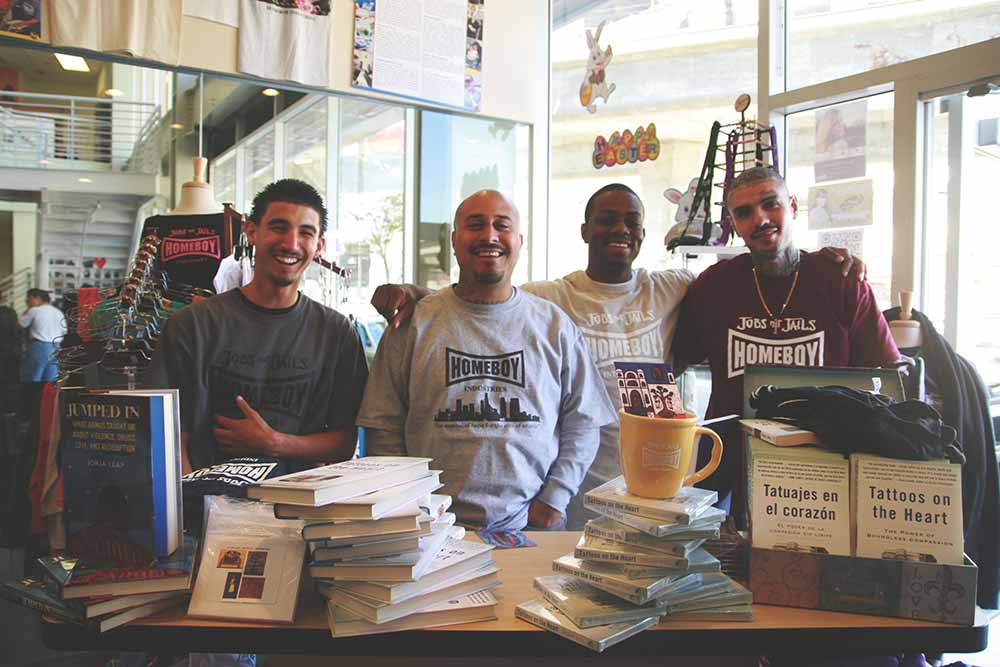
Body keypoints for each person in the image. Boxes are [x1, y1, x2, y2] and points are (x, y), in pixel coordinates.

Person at [371, 183, 863, 527]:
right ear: (585, 230)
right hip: (577, 491)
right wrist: (415, 294)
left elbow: (751, 272)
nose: (620, 230)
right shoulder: (551, 299)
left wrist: (821, 260)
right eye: (606, 221)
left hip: (656, 485)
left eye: (632, 222)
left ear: (645, 235)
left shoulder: (674, 286)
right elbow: (485, 292)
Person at [357, 190, 615, 531]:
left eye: (501, 226)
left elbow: (583, 424)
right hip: (430, 529)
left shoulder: (554, 326)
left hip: (532, 528)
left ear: (519, 241)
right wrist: (409, 505)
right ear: (454, 240)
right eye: (475, 225)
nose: (489, 235)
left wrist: (554, 501)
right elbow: (383, 427)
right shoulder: (412, 324)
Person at [147, 179, 369, 476]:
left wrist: (274, 443)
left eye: (305, 233)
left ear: (319, 246)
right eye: (278, 227)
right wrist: (190, 511)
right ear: (251, 231)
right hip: (210, 512)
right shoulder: (192, 325)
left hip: (301, 513)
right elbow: (172, 442)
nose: (291, 243)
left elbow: (343, 444)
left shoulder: (337, 333)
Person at [672, 165, 899, 423]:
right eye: (744, 213)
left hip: (822, 456)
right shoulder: (712, 286)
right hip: (730, 455)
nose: (760, 219)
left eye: (771, 204)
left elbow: (886, 380)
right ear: (733, 223)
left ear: (792, 207)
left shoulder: (843, 281)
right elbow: (675, 362)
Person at [18, 288, 66, 383]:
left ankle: (32, 398)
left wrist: (27, 310)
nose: (27, 302)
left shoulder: (34, 310)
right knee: (50, 381)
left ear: (36, 298)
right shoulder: (58, 312)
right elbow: (64, 331)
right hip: (56, 347)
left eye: (28, 299)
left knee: (33, 378)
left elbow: (20, 325)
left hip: (40, 347)